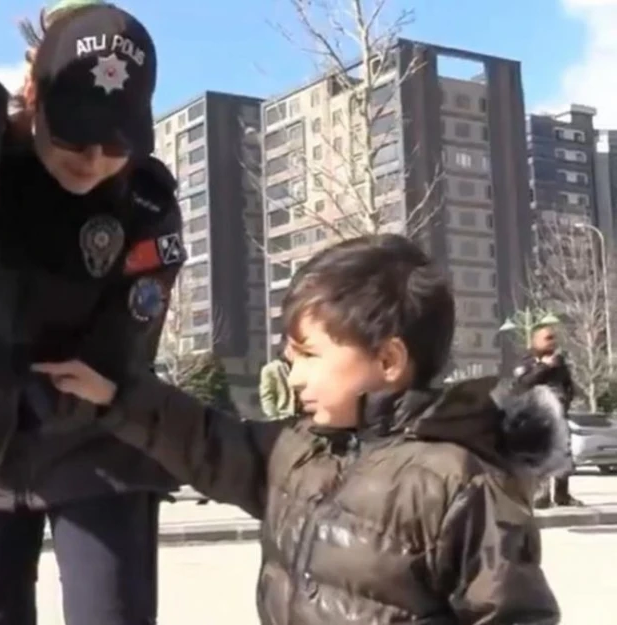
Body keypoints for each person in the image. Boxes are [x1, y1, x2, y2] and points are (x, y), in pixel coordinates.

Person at [34, 234, 566, 624]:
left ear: (388, 360)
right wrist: (118, 396)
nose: (295, 376)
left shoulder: (457, 482)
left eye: (310, 356)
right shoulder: (298, 448)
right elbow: (209, 444)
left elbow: (513, 613)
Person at [0, 3, 184, 624]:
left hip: (98, 440)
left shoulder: (144, 201)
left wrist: (86, 387)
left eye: (117, 143)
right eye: (75, 137)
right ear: (32, 92)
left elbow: (131, 329)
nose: (94, 159)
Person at [514, 323, 580, 507]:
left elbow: (568, 385)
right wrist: (543, 366)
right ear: (535, 340)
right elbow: (523, 384)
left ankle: (562, 495)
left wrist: (566, 400)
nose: (552, 342)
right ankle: (541, 496)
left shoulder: (560, 361)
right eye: (547, 338)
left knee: (564, 454)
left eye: (554, 338)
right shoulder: (527, 361)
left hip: (558, 414)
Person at [257, 343, 295, 420]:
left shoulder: (305, 368)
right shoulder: (270, 369)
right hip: (284, 417)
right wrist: (274, 418)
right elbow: (267, 397)